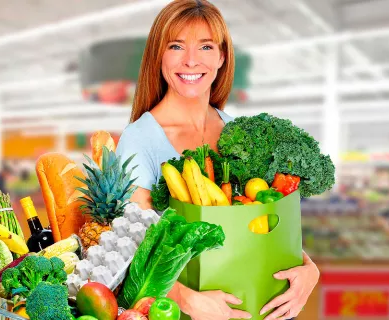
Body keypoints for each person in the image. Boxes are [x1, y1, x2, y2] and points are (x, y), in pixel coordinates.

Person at [115, 1, 320, 319]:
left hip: (253, 304)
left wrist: (309, 270)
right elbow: (133, 245)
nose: (191, 60)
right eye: (176, 46)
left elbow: (257, 216)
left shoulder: (237, 132)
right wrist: (186, 299)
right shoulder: (139, 140)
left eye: (206, 46)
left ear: (222, 56)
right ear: (159, 55)